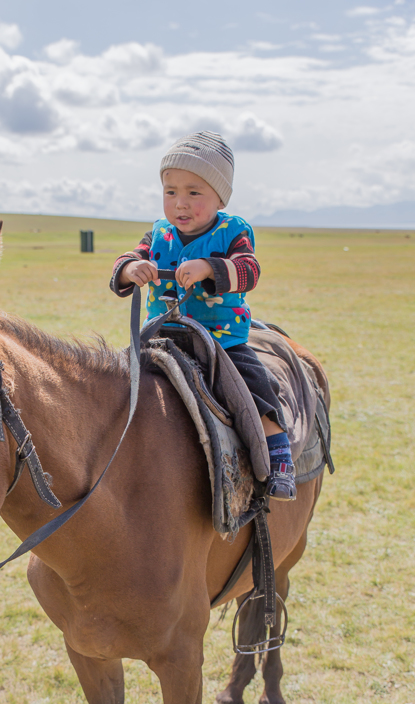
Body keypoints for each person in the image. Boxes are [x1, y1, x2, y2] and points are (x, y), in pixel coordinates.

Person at [110, 130, 296, 501]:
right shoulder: (158, 234)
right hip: (161, 336)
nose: (180, 203)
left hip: (222, 339)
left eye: (194, 192)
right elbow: (125, 261)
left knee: (254, 389)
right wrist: (131, 270)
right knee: (114, 383)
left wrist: (211, 268)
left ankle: (279, 458)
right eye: (171, 191)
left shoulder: (233, 232)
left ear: (219, 196)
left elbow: (249, 270)